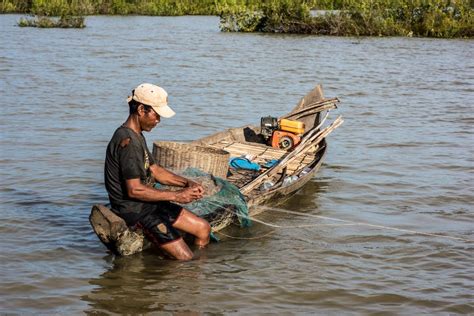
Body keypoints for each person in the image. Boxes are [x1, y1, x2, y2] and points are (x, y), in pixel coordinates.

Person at [104, 83, 211, 260]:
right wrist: (177, 196)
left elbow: (155, 170)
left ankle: (195, 268)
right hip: (134, 210)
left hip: (150, 203)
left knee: (203, 228)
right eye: (156, 115)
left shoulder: (137, 135)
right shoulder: (127, 141)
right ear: (141, 110)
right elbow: (134, 190)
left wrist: (187, 183)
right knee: (185, 259)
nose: (158, 121)